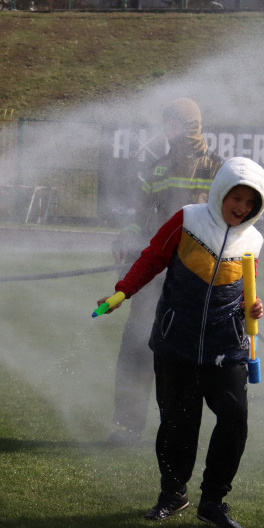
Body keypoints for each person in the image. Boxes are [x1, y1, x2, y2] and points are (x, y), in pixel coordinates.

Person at [95, 157, 264, 528]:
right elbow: (152, 258)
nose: (242, 208)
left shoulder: (253, 240)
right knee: (178, 425)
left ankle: (213, 501)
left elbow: (247, 289)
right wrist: (122, 292)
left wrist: (253, 306)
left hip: (227, 349)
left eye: (250, 203)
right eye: (236, 198)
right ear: (221, 191)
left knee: (235, 419)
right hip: (176, 344)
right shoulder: (187, 220)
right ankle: (173, 494)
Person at [107, 98, 223, 445]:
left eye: (173, 123)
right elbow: (139, 216)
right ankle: (127, 427)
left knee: (185, 359)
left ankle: (180, 430)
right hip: (156, 277)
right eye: (165, 123)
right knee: (136, 347)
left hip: (197, 283)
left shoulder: (217, 170)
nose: (166, 130)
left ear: (190, 125)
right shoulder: (159, 168)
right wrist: (126, 239)